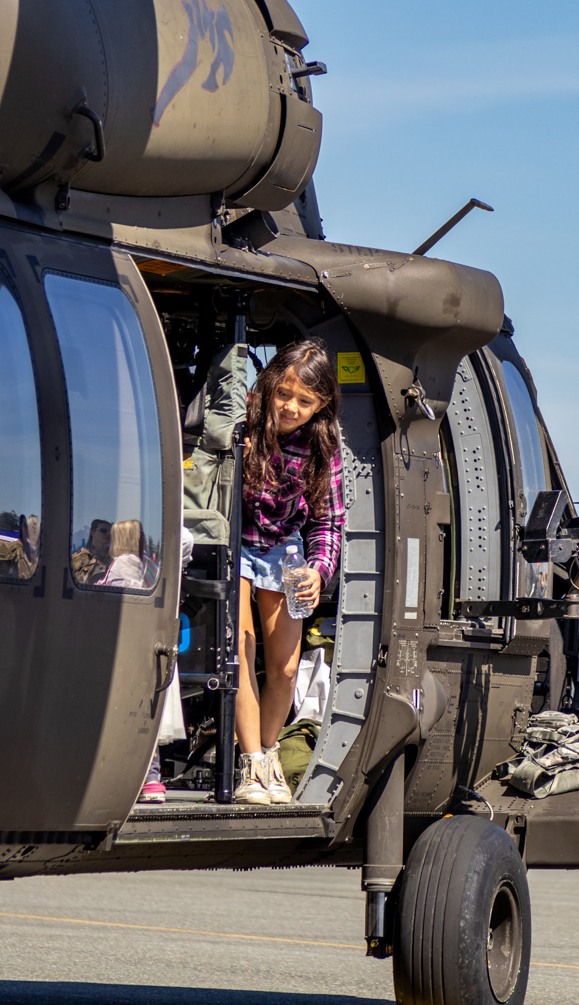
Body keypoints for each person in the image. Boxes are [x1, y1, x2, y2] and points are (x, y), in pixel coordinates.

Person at [234, 338, 345, 806]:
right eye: (284, 394)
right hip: (236, 543)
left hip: (285, 552)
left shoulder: (324, 446)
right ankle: (250, 765)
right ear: (269, 385)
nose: (290, 407)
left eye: (304, 400)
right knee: (241, 652)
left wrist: (319, 569)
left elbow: (329, 520)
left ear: (321, 405)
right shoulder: (244, 421)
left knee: (285, 666)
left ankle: (269, 754)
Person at [99, 519, 158, 590]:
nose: (143, 536)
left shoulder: (144, 559)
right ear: (129, 539)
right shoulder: (125, 561)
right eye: (140, 533)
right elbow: (137, 591)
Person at [72, 518, 112, 586]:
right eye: (103, 531)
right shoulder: (79, 559)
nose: (108, 534)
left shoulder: (115, 559)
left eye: (111, 532)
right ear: (92, 532)